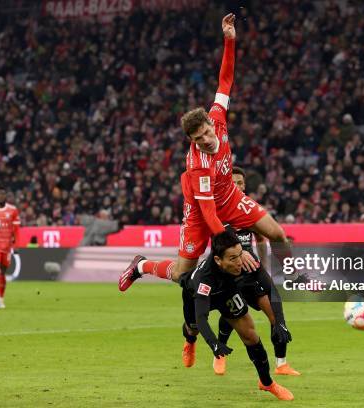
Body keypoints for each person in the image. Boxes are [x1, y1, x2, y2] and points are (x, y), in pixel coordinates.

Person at [119, 13, 291, 291]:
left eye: (208, 133)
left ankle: (294, 277)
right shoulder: (198, 164)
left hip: (230, 196)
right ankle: (141, 265)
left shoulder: (217, 116)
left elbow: (225, 80)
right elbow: (210, 215)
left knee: (278, 233)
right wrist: (235, 250)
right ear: (191, 140)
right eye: (199, 139)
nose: (208, 140)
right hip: (200, 212)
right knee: (181, 275)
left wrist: (230, 41)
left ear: (212, 124)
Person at [179, 229, 294, 400]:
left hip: (228, 291)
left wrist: (280, 323)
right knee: (193, 328)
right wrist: (214, 344)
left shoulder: (246, 260)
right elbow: (201, 318)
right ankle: (190, 342)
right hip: (198, 296)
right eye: (233, 258)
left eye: (240, 254)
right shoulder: (204, 279)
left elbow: (271, 289)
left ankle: (267, 383)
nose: (240, 261)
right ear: (218, 260)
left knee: (250, 336)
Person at [212, 167, 299, 376]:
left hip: (252, 272)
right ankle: (219, 354)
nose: (238, 186)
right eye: (233, 182)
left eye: (241, 182)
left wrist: (264, 265)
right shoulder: (219, 210)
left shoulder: (247, 209)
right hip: (230, 275)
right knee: (233, 314)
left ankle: (281, 363)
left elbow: (261, 238)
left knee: (275, 313)